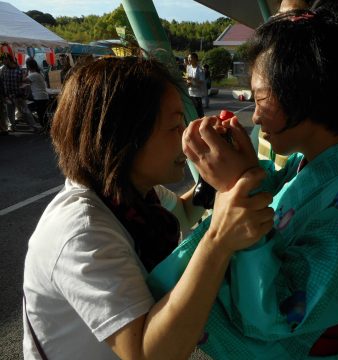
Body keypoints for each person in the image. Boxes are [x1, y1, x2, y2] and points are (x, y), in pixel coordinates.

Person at [154, 2, 338, 359]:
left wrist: (237, 183)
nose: (255, 115)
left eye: (260, 98)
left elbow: (272, 315)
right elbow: (281, 186)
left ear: (305, 93)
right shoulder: (325, 158)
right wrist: (244, 169)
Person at [23, 57, 273, 359]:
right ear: (123, 138)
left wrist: (214, 180)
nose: (185, 135)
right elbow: (148, 354)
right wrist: (219, 241)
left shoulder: (131, 194)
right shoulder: (83, 233)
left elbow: (181, 213)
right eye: (173, 126)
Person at [0, 53, 42, 132]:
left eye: (4, 60)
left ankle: (34, 126)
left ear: (8, 59)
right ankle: (12, 126)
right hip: (8, 96)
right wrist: (4, 95)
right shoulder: (3, 69)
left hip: (18, 95)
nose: (3, 62)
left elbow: (26, 84)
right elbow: (2, 82)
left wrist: (24, 95)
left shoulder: (19, 70)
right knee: (10, 113)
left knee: (25, 112)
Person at [26, 58, 50, 129]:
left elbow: (23, 81)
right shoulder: (39, 73)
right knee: (44, 114)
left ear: (29, 66)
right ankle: (47, 128)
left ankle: (45, 128)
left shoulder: (33, 75)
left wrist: (25, 73)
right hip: (44, 96)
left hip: (39, 97)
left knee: (41, 114)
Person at [186, 52, 207, 117]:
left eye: (190, 58)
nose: (189, 59)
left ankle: (201, 122)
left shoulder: (200, 70)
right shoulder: (188, 67)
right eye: (188, 58)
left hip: (197, 94)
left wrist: (192, 79)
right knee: (191, 111)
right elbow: (188, 78)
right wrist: (188, 82)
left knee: (198, 111)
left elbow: (201, 82)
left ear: (195, 59)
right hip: (190, 92)